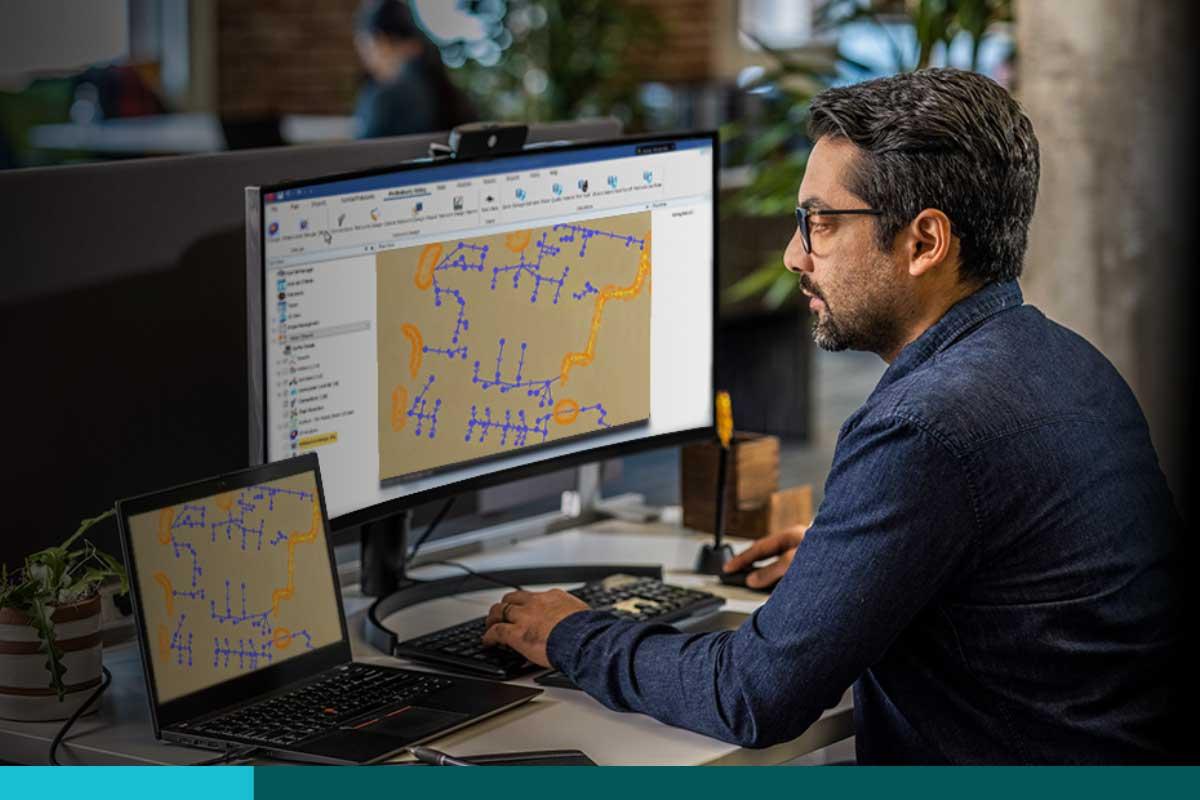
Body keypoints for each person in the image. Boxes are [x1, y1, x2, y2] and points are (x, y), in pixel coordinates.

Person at [479, 68, 1183, 764]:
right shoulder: (1070, 362)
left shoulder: (925, 426)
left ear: (925, 242)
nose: (794, 255)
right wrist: (860, 561)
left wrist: (572, 635)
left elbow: (752, 696)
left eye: (819, 222)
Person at [353, 0, 476, 138]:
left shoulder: (384, 97)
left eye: (364, 45)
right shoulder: (441, 87)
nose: (365, 59)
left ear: (381, 41)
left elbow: (363, 153)